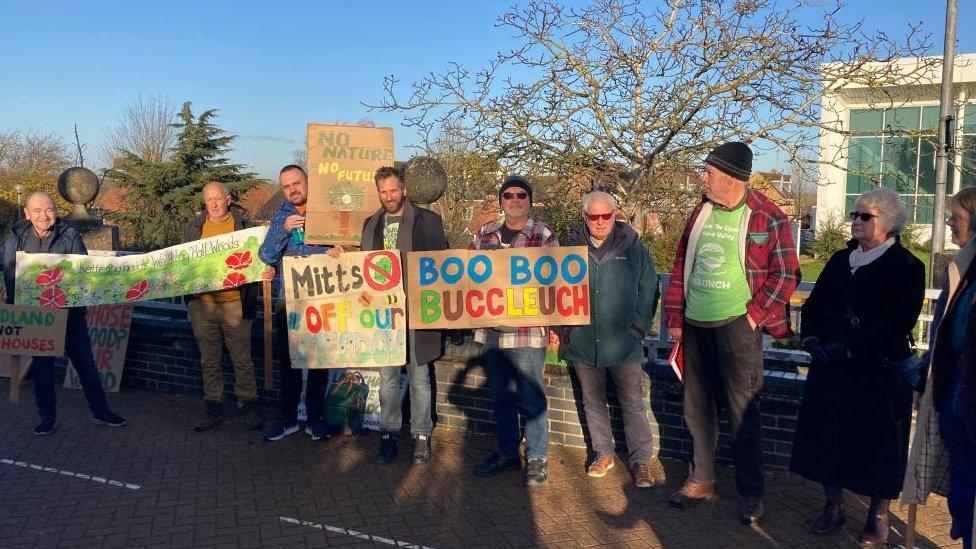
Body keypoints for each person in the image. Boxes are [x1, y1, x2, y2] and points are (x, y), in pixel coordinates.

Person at [663, 142, 799, 524]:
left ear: (730, 177)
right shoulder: (701, 211)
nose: (702, 177)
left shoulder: (767, 216)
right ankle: (701, 479)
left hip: (737, 329)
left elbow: (787, 273)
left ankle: (750, 494)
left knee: (743, 414)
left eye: (708, 171)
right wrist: (676, 318)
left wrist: (754, 317)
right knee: (697, 409)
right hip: (695, 325)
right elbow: (679, 265)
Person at [791, 188, 924, 544]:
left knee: (877, 447)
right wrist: (812, 338)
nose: (856, 221)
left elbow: (898, 322)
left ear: (889, 223)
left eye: (866, 216)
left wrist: (849, 346)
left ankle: (877, 516)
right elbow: (815, 304)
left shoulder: (908, 267)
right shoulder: (839, 259)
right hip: (831, 371)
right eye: (855, 214)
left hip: (875, 373)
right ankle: (833, 507)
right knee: (828, 441)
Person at [1, 191, 127, 435]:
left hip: (69, 314)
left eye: (48, 210)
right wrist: (16, 304)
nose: (43, 215)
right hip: (37, 316)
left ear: (55, 212)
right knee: (43, 368)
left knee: (85, 364)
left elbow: (81, 272)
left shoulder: (69, 234)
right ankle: (46, 416)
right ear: (27, 213)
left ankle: (100, 411)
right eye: (37, 211)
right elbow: (8, 270)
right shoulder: (15, 236)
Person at [560, 191, 658, 487]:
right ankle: (603, 452)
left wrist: (638, 328)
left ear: (615, 215)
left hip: (624, 342)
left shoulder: (633, 246)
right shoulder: (568, 248)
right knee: (593, 402)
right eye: (594, 216)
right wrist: (565, 331)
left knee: (632, 403)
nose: (600, 221)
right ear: (584, 217)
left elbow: (649, 287)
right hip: (584, 340)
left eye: (606, 215)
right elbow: (553, 288)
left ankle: (640, 461)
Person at [470, 175, 558, 486]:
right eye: (509, 195)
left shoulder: (543, 234)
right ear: (501, 200)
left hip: (527, 331)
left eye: (522, 195)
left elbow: (555, 281)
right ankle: (507, 452)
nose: (515, 200)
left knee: (531, 397)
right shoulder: (485, 234)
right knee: (500, 397)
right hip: (492, 331)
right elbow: (465, 276)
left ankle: (536, 458)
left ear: (530, 201)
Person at [359, 166, 449, 463]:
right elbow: (362, 266)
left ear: (404, 190)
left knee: (419, 375)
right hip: (384, 315)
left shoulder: (428, 221)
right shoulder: (371, 223)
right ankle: (388, 433)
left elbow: (443, 266)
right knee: (387, 379)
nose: (388, 197)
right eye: (383, 192)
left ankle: (421, 434)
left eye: (393, 190)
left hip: (418, 311)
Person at [903, 187, 976, 549]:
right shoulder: (961, 266)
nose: (948, 222)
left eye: (957, 218)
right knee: (962, 488)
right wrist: (924, 379)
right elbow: (944, 334)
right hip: (954, 395)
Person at [258, 164, 340, 441]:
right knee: (289, 364)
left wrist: (339, 251)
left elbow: (345, 248)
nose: (293, 189)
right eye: (286, 186)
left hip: (321, 299)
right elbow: (266, 256)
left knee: (319, 363)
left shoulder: (326, 213)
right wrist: (282, 229)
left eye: (297, 183)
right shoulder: (280, 216)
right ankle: (288, 418)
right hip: (289, 301)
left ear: (307, 182)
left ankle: (315, 419)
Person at [183, 181, 263, 432]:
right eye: (209, 200)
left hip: (235, 304)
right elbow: (183, 265)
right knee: (209, 360)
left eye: (218, 199)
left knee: (242, 359)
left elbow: (260, 261)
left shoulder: (245, 228)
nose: (214, 204)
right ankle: (213, 407)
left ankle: (248, 405)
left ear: (228, 199)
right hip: (203, 306)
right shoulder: (194, 228)